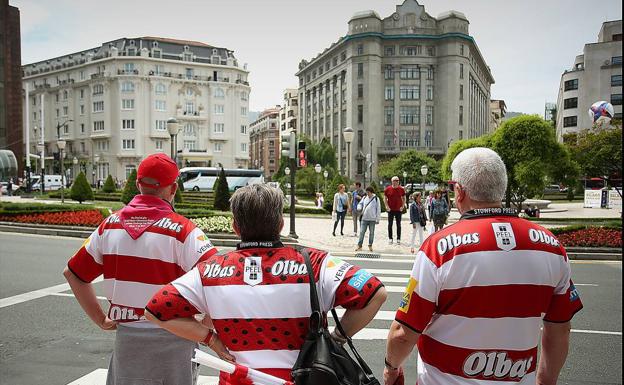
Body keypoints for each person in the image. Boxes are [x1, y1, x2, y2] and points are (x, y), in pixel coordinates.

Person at [145, 184, 388, 385]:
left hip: (239, 379)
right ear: (280, 224)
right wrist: (337, 338)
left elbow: (155, 310)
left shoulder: (210, 271)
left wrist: (211, 339)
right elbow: (374, 292)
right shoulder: (315, 262)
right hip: (304, 377)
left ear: (235, 227)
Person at [384, 147, 583, 385]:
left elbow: (403, 334)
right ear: (503, 186)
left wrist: (391, 369)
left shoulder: (439, 249)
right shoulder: (551, 246)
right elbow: (560, 329)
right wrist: (545, 380)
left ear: (459, 191)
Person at [63, 153, 218, 385]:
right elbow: (218, 279)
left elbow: (73, 274)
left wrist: (100, 319)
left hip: (127, 341)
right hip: (176, 342)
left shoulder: (109, 226)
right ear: (173, 188)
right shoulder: (183, 230)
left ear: (137, 184)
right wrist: (203, 325)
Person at [356, 186, 382, 252]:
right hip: (364, 218)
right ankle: (359, 245)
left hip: (372, 219)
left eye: (368, 192)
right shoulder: (364, 198)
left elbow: (378, 209)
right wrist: (359, 207)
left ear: (371, 192)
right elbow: (360, 203)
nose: (367, 194)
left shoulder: (376, 198)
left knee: (371, 233)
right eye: (367, 192)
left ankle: (370, 245)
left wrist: (377, 219)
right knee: (362, 232)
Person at [384, 176, 406, 245]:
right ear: (392, 181)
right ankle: (390, 238)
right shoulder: (388, 189)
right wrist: (386, 206)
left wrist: (402, 206)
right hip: (390, 209)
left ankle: (398, 238)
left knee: (398, 224)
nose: (396, 182)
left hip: (398, 209)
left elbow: (404, 198)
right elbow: (385, 198)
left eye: (397, 181)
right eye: (395, 181)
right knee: (390, 224)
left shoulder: (401, 189)